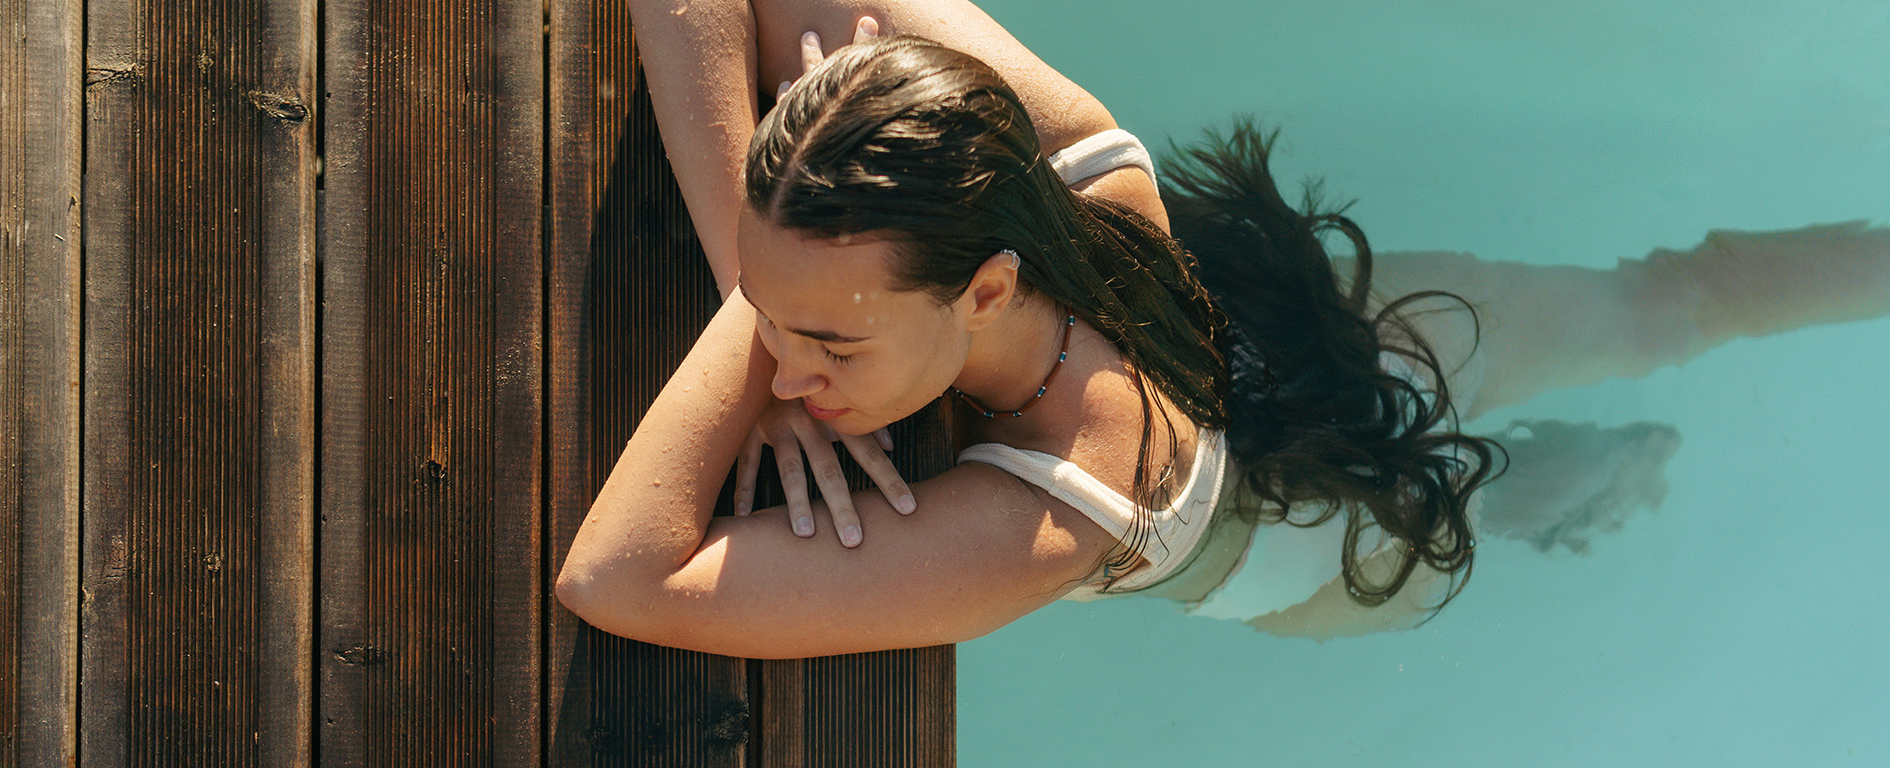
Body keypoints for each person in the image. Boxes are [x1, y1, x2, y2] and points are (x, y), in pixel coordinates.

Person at [555, 0, 1890, 656]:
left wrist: (755, 310)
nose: (788, 371)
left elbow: (614, 578)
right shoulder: (1043, 152)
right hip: (1317, 343)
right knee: (1647, 316)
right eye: (786, 333)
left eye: (828, 341)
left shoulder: (1055, 519)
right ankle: (1532, 476)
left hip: (1306, 541)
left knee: (1441, 531)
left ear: (982, 292)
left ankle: (1531, 493)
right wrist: (789, 243)